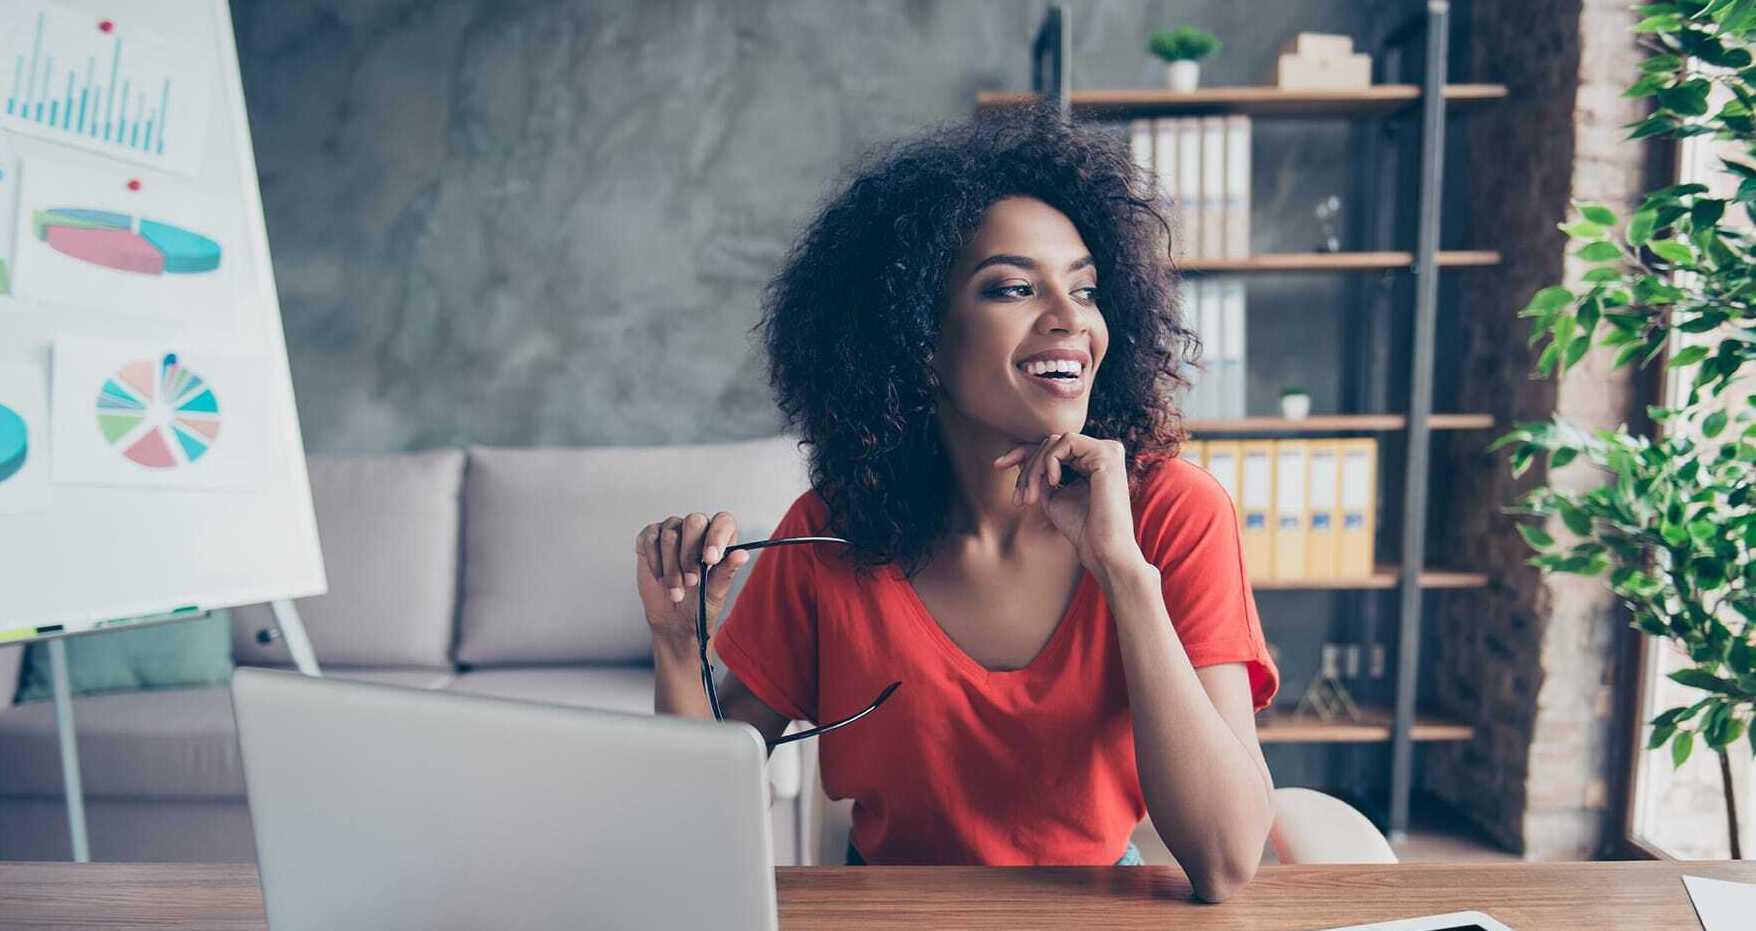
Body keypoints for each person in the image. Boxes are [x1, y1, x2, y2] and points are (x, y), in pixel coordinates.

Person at [634, 99, 1278, 902]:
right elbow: (694, 822)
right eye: (1013, 288)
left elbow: (1225, 860)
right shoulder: (832, 533)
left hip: (1091, 913)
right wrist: (675, 643)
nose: (1069, 319)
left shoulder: (1175, 513)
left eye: (1085, 289)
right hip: (886, 914)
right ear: (921, 343)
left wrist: (1122, 570)